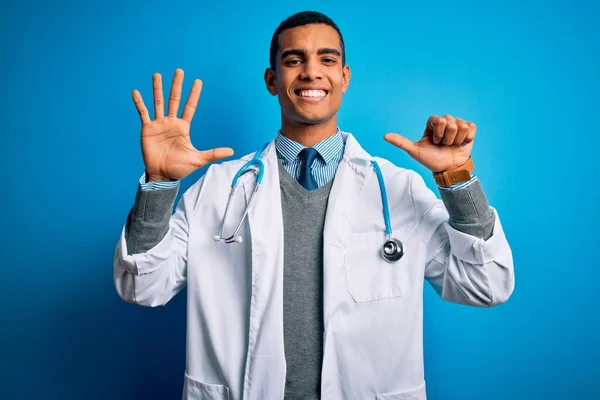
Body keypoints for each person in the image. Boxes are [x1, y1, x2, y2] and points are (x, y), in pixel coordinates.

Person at [113, 10, 514, 400]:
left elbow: (485, 284)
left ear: (345, 77)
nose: (311, 71)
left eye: (327, 59)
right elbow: (141, 286)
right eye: (293, 60)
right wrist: (161, 183)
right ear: (272, 80)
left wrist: (458, 178)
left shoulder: (397, 188)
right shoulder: (218, 189)